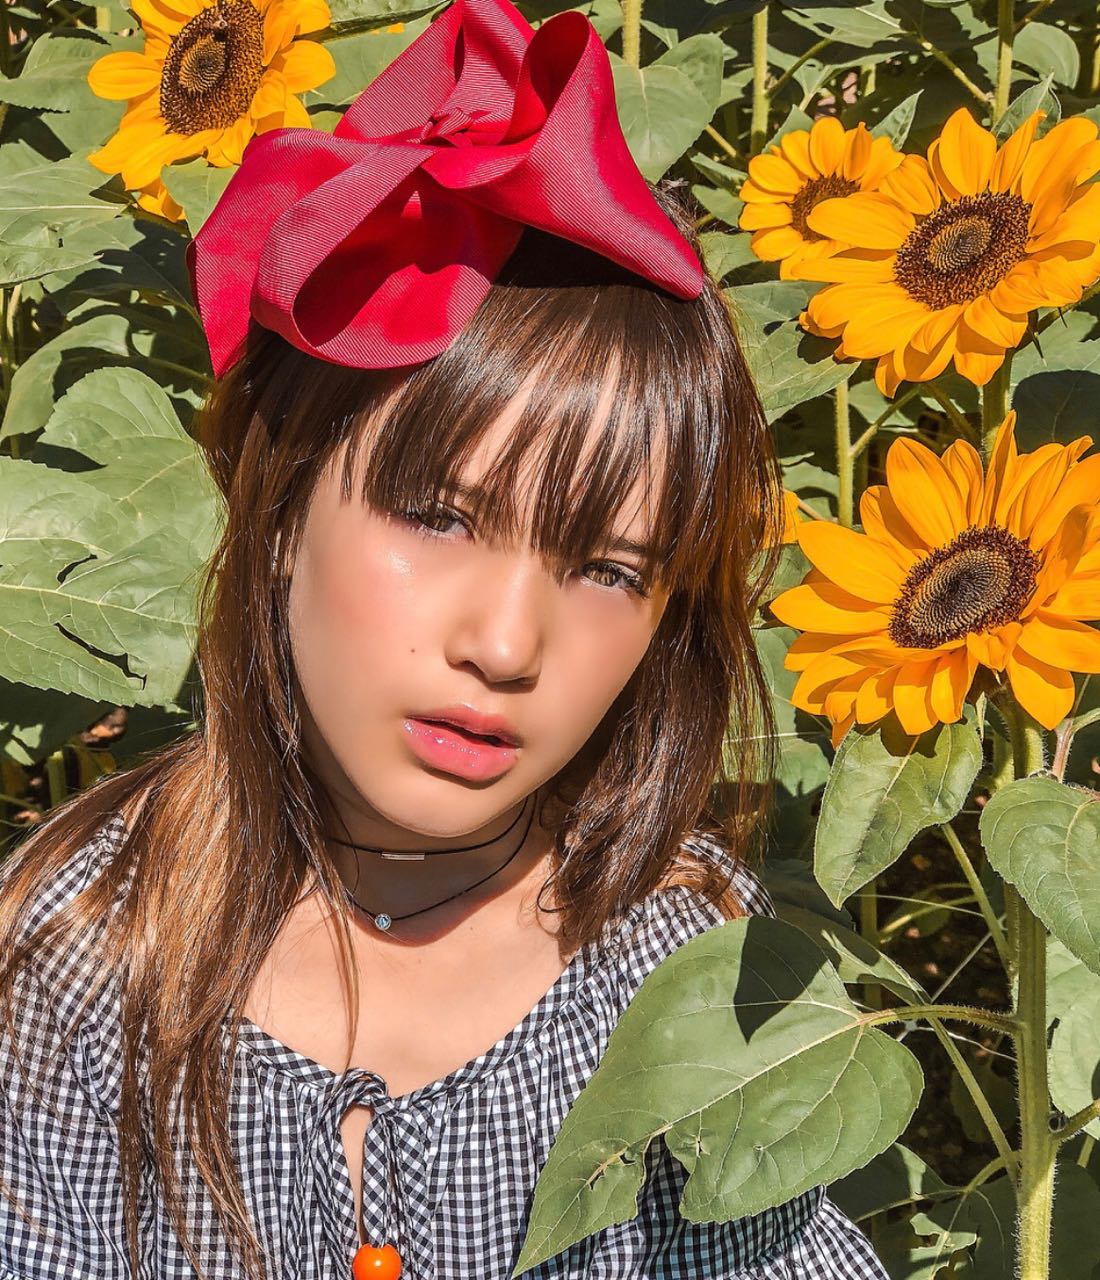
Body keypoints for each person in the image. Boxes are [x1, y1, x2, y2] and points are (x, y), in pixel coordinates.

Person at [0, 0, 891, 1277]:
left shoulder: (679, 958)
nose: (506, 642)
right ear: (277, 502)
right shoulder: (85, 949)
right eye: (437, 516)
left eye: (609, 568)